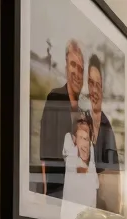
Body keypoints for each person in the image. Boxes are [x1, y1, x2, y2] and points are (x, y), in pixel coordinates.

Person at [40, 39, 86, 199]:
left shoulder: (84, 109)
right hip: (57, 192)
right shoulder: (55, 98)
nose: (76, 72)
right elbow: (46, 154)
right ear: (66, 67)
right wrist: (47, 197)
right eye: (73, 65)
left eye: (80, 68)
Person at [87, 54, 121, 214]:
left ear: (102, 89)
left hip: (103, 211)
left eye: (98, 85)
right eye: (90, 84)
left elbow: (114, 180)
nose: (94, 90)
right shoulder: (81, 122)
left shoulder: (107, 129)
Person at [62, 116, 99, 209]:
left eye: (86, 139)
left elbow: (94, 183)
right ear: (74, 139)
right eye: (81, 138)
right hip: (73, 205)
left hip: (88, 206)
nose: (85, 143)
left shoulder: (90, 152)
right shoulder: (70, 147)